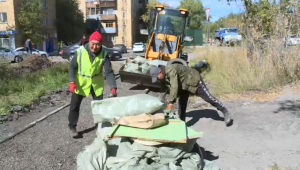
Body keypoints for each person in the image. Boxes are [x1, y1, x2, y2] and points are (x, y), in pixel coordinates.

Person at [68, 31, 117, 135]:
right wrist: (72, 81)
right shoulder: (80, 51)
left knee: (99, 106)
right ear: (89, 42)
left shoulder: (104, 53)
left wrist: (113, 87)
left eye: (98, 44)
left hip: (96, 83)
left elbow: (109, 72)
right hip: (81, 83)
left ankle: (99, 125)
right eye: (93, 44)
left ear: (101, 44)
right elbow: (72, 68)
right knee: (74, 106)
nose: (95, 47)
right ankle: (72, 127)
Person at [150, 64, 232, 126]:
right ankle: (182, 124)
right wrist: (160, 104)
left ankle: (225, 111)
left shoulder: (171, 70)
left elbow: (174, 86)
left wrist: (171, 102)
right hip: (183, 85)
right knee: (182, 104)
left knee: (208, 98)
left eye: (157, 77)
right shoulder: (162, 77)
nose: (157, 79)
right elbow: (163, 90)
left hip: (194, 80)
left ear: (160, 72)